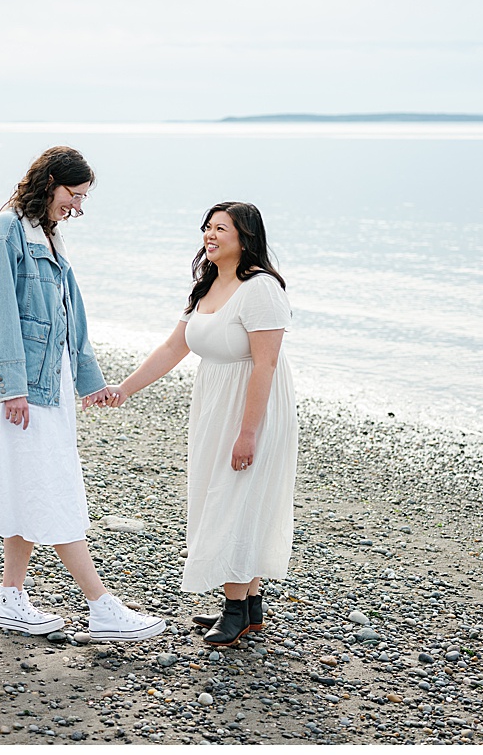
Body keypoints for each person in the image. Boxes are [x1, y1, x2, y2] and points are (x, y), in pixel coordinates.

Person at [0, 146, 168, 642]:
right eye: (75, 195)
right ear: (49, 183)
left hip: (49, 382)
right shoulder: (6, 232)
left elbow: (71, 317)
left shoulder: (47, 233)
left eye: (83, 198)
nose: (78, 207)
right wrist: (12, 389)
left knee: (29, 485)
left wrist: (91, 382)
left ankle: (12, 598)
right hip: (21, 388)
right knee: (52, 488)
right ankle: (102, 605)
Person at [107, 202, 297, 647]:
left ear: (245, 237)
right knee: (226, 496)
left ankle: (234, 611)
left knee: (234, 499)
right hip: (214, 403)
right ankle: (249, 607)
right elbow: (175, 347)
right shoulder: (208, 284)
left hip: (252, 406)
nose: (210, 236)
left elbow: (265, 366)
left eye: (221, 229)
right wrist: (125, 389)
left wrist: (247, 432)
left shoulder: (262, 289)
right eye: (207, 228)